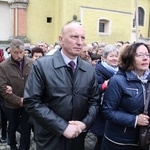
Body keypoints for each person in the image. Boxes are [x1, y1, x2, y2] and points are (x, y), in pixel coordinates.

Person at [23, 22, 100, 150]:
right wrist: (62, 127)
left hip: (77, 136)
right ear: (61, 40)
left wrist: (83, 124)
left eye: (83, 38)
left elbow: (94, 102)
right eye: (74, 37)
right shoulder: (42, 66)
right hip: (50, 136)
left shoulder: (89, 69)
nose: (80, 42)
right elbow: (31, 101)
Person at [101, 42, 150, 150]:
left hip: (144, 141)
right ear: (130, 58)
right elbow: (107, 111)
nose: (145, 58)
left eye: (147, 55)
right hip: (120, 142)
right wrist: (135, 120)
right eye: (140, 55)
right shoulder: (118, 81)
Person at [0, 39, 33, 150]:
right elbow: (3, 89)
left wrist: (28, 99)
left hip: (28, 102)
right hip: (11, 105)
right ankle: (12, 145)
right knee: (12, 126)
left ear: (24, 51)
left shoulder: (31, 63)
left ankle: (24, 147)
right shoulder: (3, 66)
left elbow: (35, 82)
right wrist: (19, 100)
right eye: (15, 52)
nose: (19, 55)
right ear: (10, 51)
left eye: (21, 52)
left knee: (26, 127)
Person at [90, 44, 119, 150]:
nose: (115, 58)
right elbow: (89, 91)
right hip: (101, 111)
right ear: (103, 58)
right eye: (111, 56)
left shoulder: (119, 71)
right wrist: (103, 86)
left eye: (116, 56)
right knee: (102, 138)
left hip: (114, 111)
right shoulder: (96, 71)